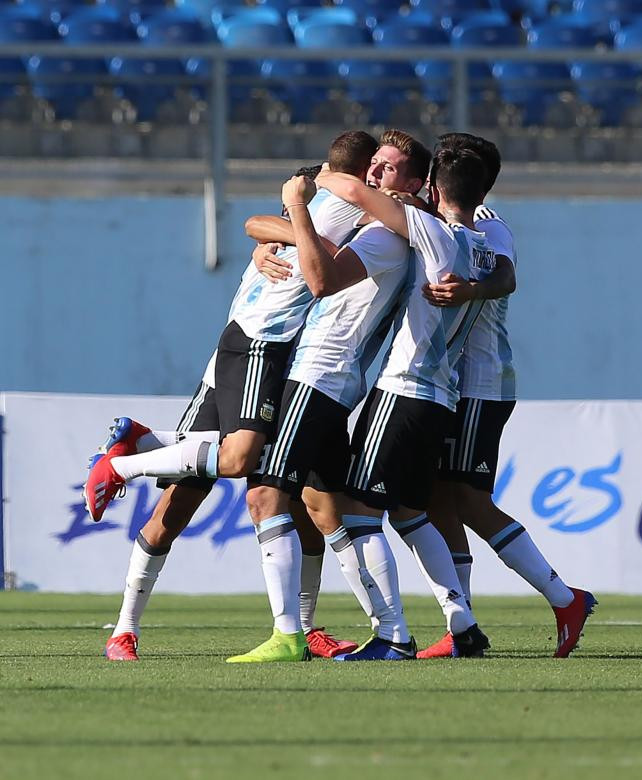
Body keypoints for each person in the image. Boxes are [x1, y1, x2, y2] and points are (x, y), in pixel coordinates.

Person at [93, 130, 381, 661]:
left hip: (267, 362)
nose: (381, 179)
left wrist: (285, 229)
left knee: (303, 502)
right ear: (357, 173)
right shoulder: (336, 201)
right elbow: (294, 240)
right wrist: (295, 227)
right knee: (193, 497)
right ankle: (124, 626)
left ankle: (302, 626)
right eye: (377, 169)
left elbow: (258, 222)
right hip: (255, 352)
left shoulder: (310, 214)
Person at [223, 130, 433, 663]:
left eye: (387, 170)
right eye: (374, 166)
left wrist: (297, 207)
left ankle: (290, 635)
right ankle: (393, 635)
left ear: (412, 185)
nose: (374, 176)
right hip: (326, 377)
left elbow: (319, 280)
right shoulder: (376, 224)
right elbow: (264, 225)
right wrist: (278, 233)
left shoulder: (389, 236)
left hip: (319, 375)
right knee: (335, 508)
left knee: (264, 497)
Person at [308, 145, 502, 658]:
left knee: (356, 511)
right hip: (442, 396)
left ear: (434, 189)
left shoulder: (430, 229)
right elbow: (506, 277)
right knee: (411, 513)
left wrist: (316, 178)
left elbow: (354, 192)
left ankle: (392, 638)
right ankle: (463, 625)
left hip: (404, 389)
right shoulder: (482, 247)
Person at [411, 133, 597, 659]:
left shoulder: (488, 223)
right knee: (435, 497)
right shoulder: (435, 218)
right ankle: (461, 626)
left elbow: (507, 275)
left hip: (479, 382)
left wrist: (471, 289)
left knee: (466, 498)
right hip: (451, 383)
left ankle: (565, 598)